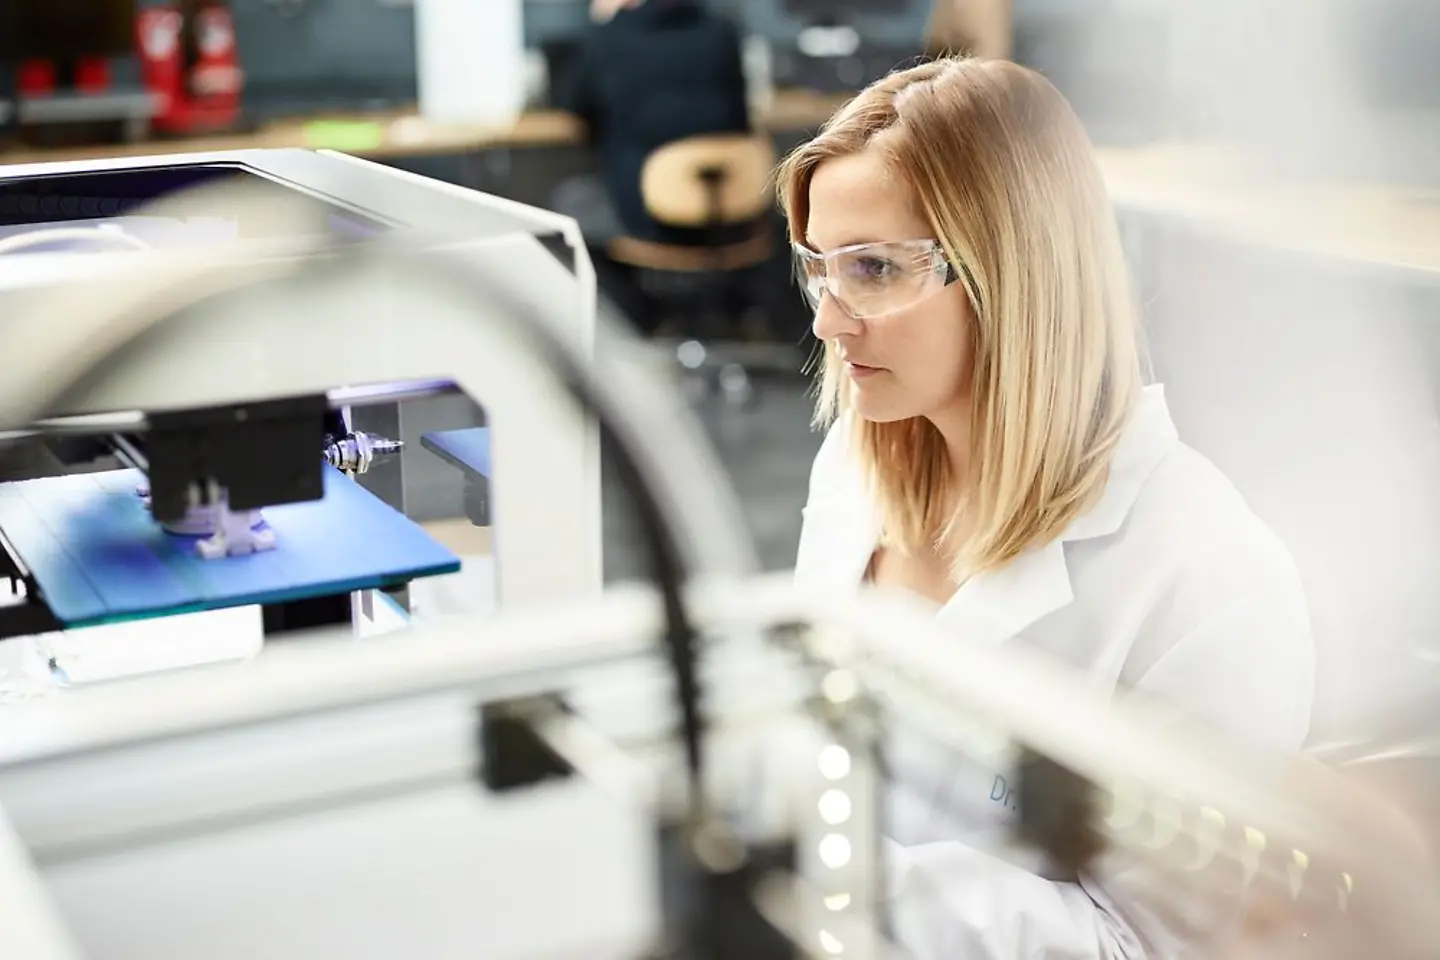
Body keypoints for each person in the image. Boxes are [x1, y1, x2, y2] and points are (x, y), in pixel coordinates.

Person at [781, 57, 1315, 958]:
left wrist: (844, 882)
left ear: (1010, 272)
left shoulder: (1209, 577)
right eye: (818, 269)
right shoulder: (856, 468)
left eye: (873, 268)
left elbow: (1148, 945)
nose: (829, 322)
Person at [552, 0, 751, 333]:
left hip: (648, 217)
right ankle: (726, 317)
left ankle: (633, 330)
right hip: (731, 217)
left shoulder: (609, 38)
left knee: (570, 205)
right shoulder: (722, 33)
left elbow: (571, 104)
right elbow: (741, 114)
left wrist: (604, 22)